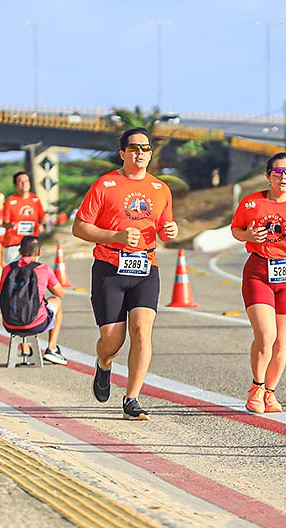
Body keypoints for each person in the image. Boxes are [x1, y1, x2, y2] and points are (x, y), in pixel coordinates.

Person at [72, 127, 178, 420]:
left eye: (145, 148)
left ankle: (132, 398)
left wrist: (170, 230)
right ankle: (103, 365)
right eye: (134, 148)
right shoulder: (105, 185)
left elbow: (163, 227)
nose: (140, 153)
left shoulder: (160, 189)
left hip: (146, 266)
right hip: (110, 267)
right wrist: (115, 236)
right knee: (112, 341)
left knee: (142, 332)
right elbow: (79, 227)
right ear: (123, 153)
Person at [230, 152, 286, 413]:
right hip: (258, 271)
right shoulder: (251, 203)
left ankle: (270, 393)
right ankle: (256, 388)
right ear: (268, 176)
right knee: (266, 335)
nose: (283, 178)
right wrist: (249, 235)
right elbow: (236, 230)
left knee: (281, 341)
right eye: (277, 173)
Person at [0, 235, 68, 364]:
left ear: (19, 251)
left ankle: (25, 349)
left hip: (9, 323)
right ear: (39, 252)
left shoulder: (8, 269)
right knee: (56, 302)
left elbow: (4, 293)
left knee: (17, 304)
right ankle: (52, 348)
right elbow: (60, 293)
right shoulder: (43, 269)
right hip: (36, 324)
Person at [2, 171, 46, 265]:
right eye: (20, 181)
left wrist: (41, 225)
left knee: (32, 272)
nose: (24, 184)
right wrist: (11, 225)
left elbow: (42, 217)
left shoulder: (35, 199)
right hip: (14, 243)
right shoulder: (10, 201)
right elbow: (4, 223)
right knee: (13, 273)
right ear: (15, 185)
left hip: (31, 243)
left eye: (26, 181)